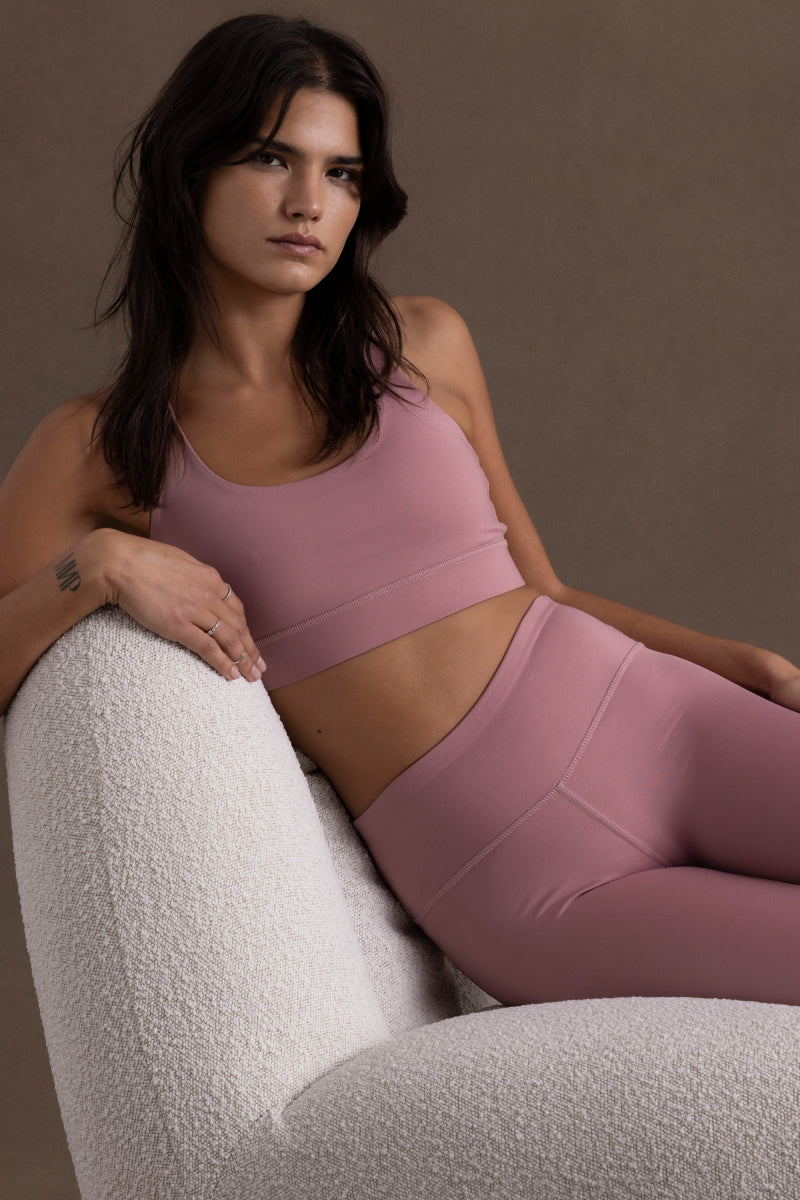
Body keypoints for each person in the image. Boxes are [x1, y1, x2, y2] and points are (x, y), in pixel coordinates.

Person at [2, 13, 800, 1008]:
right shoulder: (96, 447)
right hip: (529, 882)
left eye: (340, 173)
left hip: (667, 726)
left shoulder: (422, 343)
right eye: (270, 159)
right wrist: (96, 568)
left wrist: (750, 667)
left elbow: (541, 590)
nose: (309, 203)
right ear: (188, 168)